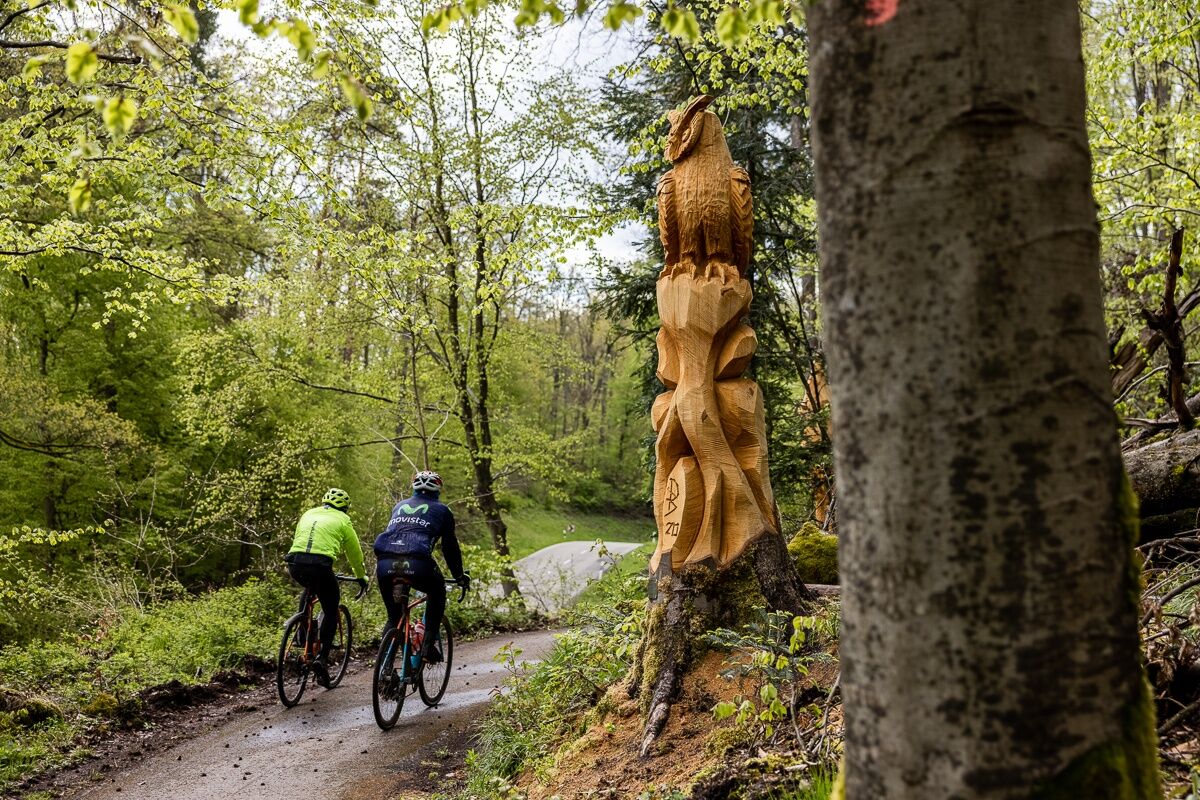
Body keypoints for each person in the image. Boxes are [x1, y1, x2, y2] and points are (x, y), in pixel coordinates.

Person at [374, 471, 470, 665]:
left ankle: (385, 668)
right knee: (437, 592)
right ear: (438, 490)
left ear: (414, 487)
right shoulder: (443, 510)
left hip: (384, 563)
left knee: (394, 617)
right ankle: (427, 645)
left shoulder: (399, 506)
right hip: (418, 563)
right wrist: (459, 576)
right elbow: (450, 547)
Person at [285, 487, 367, 686]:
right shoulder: (343, 520)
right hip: (320, 566)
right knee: (331, 608)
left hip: (294, 563)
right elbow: (354, 553)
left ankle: (302, 634)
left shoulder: (308, 513)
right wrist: (360, 576)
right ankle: (321, 658)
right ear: (345, 508)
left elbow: (301, 538)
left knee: (308, 589)